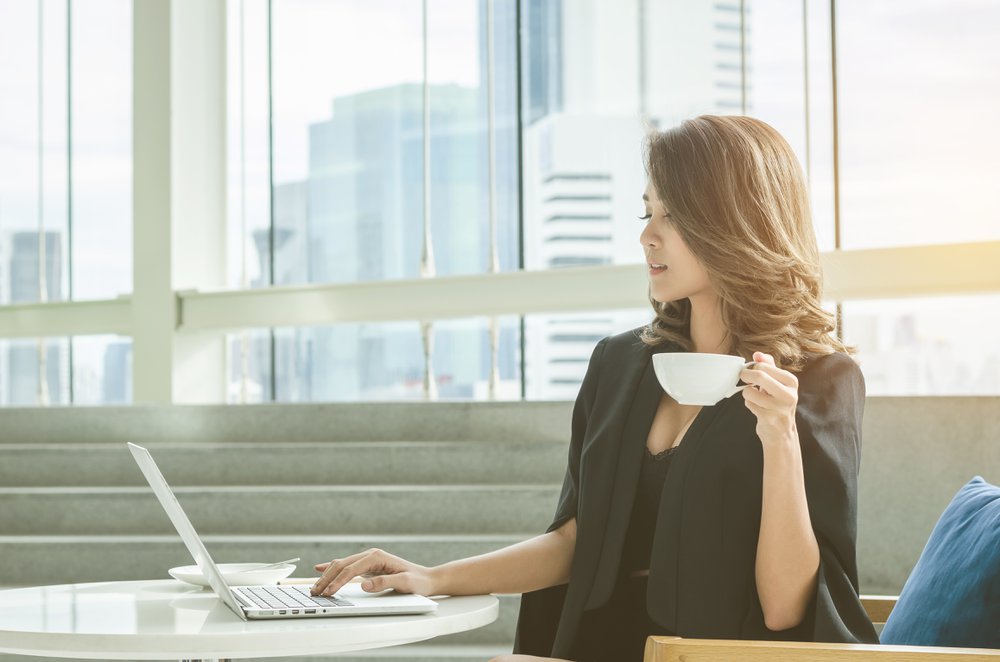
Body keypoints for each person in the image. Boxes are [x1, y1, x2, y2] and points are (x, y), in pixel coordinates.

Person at [308, 115, 879, 661]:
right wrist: (433, 577)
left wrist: (778, 435)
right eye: (647, 212)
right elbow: (577, 542)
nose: (647, 237)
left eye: (672, 217)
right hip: (599, 643)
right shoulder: (619, 363)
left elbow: (786, 609)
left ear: (735, 223)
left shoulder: (819, 382)